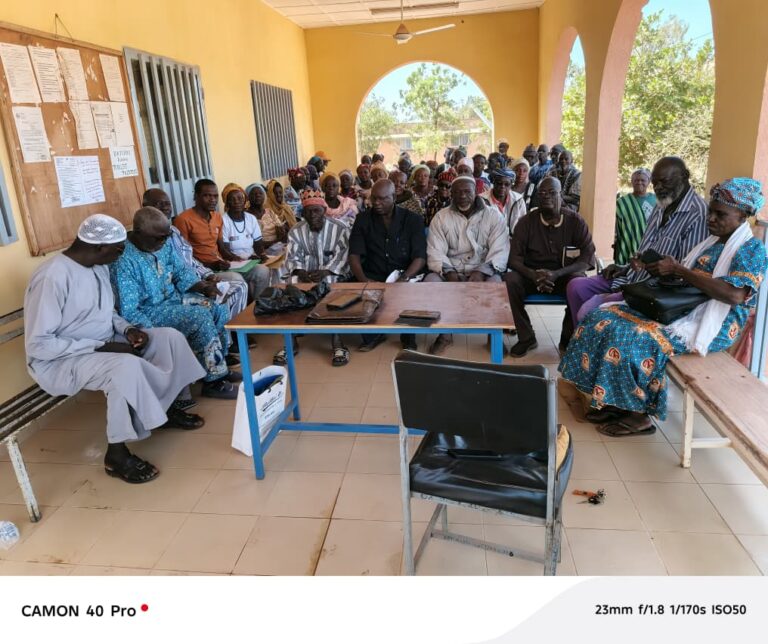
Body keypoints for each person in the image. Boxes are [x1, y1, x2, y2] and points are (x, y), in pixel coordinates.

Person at [560, 177, 767, 436]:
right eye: (711, 211)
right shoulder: (714, 243)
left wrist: (679, 269)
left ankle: (640, 415)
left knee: (632, 337)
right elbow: (691, 280)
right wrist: (662, 268)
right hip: (686, 309)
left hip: (715, 323)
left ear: (743, 215)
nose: (711, 218)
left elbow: (735, 295)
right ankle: (614, 400)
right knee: (601, 316)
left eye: (720, 214)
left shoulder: (752, 250)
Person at [25, 215, 206, 483]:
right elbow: (39, 344)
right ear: (98, 247)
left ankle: (164, 409)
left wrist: (127, 329)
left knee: (170, 338)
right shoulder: (52, 277)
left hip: (103, 343)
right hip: (60, 360)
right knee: (124, 367)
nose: (121, 255)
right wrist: (102, 347)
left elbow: (106, 313)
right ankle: (117, 455)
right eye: (119, 249)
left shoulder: (97, 266)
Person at [565, 156, 709, 332]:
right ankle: (580, 341)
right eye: (655, 183)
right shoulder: (661, 203)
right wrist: (626, 266)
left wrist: (664, 269)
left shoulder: (698, 214)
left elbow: (688, 272)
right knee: (576, 287)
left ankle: (588, 343)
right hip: (632, 278)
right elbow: (646, 251)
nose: (658, 188)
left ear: (685, 176)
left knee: (589, 310)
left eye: (664, 182)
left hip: (653, 291)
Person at [111, 207, 241, 400]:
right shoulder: (123, 260)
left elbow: (182, 271)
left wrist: (204, 287)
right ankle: (214, 381)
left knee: (218, 305)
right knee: (198, 316)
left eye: (166, 236)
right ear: (139, 233)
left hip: (173, 299)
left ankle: (218, 363)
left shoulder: (162, 243)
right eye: (159, 238)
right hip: (149, 310)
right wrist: (149, 332)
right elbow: (129, 309)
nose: (164, 242)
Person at [143, 188, 248, 367]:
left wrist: (206, 277)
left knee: (234, 290)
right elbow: (171, 277)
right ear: (145, 208)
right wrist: (201, 284)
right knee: (207, 308)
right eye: (158, 204)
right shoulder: (144, 242)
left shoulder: (173, 231)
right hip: (173, 296)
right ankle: (214, 368)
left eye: (167, 203)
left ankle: (225, 347)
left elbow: (187, 262)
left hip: (195, 280)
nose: (165, 208)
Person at [504, 177, 596, 357]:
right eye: (542, 193)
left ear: (561, 195)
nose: (547, 196)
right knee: (509, 281)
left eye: (552, 193)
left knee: (579, 283)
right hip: (531, 276)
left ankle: (567, 338)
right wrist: (532, 275)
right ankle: (526, 337)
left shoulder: (575, 221)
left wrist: (557, 273)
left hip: (563, 276)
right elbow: (513, 259)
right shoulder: (526, 222)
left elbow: (587, 258)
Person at [424, 176, 510, 354]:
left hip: (483, 269)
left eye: (467, 191)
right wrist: (449, 272)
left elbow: (500, 249)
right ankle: (445, 334)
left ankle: (493, 334)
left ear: (476, 193)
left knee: (496, 286)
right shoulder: (441, 217)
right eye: (457, 192)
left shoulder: (493, 216)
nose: (462, 196)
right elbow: (435, 250)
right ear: (451, 194)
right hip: (451, 269)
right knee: (431, 282)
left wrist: (481, 272)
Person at [274, 190, 351, 367]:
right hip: (305, 273)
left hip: (331, 273)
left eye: (317, 211)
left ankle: (337, 342)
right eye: (308, 212)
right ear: (303, 213)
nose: (312, 215)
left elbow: (342, 256)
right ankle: (290, 342)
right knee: (290, 286)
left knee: (330, 285)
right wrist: (300, 272)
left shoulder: (339, 229)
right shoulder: (296, 231)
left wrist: (325, 272)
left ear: (324, 210)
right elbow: (293, 257)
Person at [349, 179, 427, 352]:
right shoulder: (362, 220)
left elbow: (420, 257)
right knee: (362, 293)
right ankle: (374, 335)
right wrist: (364, 281)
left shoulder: (412, 220)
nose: (376, 203)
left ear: (394, 196)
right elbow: (354, 255)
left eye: (383, 199)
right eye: (374, 198)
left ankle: (408, 336)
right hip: (373, 273)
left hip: (404, 273)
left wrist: (405, 278)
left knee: (410, 292)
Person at [175, 179, 271, 301]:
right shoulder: (183, 219)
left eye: (215, 196)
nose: (212, 200)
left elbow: (222, 248)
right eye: (207, 196)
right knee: (237, 279)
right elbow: (182, 257)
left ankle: (259, 306)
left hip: (221, 265)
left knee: (262, 271)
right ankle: (243, 312)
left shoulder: (216, 217)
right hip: (203, 270)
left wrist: (241, 260)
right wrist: (212, 264)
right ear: (196, 196)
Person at [614, 167, 657, 264]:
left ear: (649, 182)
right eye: (636, 180)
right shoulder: (622, 202)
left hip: (650, 242)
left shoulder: (655, 200)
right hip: (628, 242)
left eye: (643, 180)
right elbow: (616, 224)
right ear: (632, 182)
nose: (639, 182)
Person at [221, 183, 269, 262]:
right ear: (227, 203)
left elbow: (258, 245)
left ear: (244, 200)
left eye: (240, 198)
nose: (237, 202)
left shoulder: (251, 218)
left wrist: (262, 256)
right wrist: (244, 260)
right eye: (232, 199)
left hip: (252, 257)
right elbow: (226, 251)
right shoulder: (223, 221)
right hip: (234, 260)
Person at [486, 167, 526, 234]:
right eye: (499, 183)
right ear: (493, 183)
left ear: (511, 185)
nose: (503, 187)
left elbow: (524, 224)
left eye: (506, 184)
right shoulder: (482, 199)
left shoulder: (518, 200)